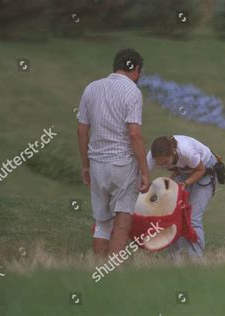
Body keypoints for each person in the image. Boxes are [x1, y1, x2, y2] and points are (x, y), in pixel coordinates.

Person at [77, 48, 150, 257]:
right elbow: (134, 134)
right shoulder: (133, 92)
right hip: (122, 164)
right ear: (136, 69)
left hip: (97, 162)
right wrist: (145, 171)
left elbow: (82, 130)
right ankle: (112, 273)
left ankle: (97, 268)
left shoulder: (91, 88)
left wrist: (85, 165)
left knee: (102, 222)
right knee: (121, 223)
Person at [146, 135, 218, 257]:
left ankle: (195, 261)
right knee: (173, 215)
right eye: (159, 164)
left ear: (173, 153)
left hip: (206, 169)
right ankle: (174, 260)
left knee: (193, 218)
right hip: (184, 171)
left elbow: (201, 169)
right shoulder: (152, 157)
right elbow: (142, 176)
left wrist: (185, 184)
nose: (163, 165)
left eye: (165, 162)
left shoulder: (186, 151)